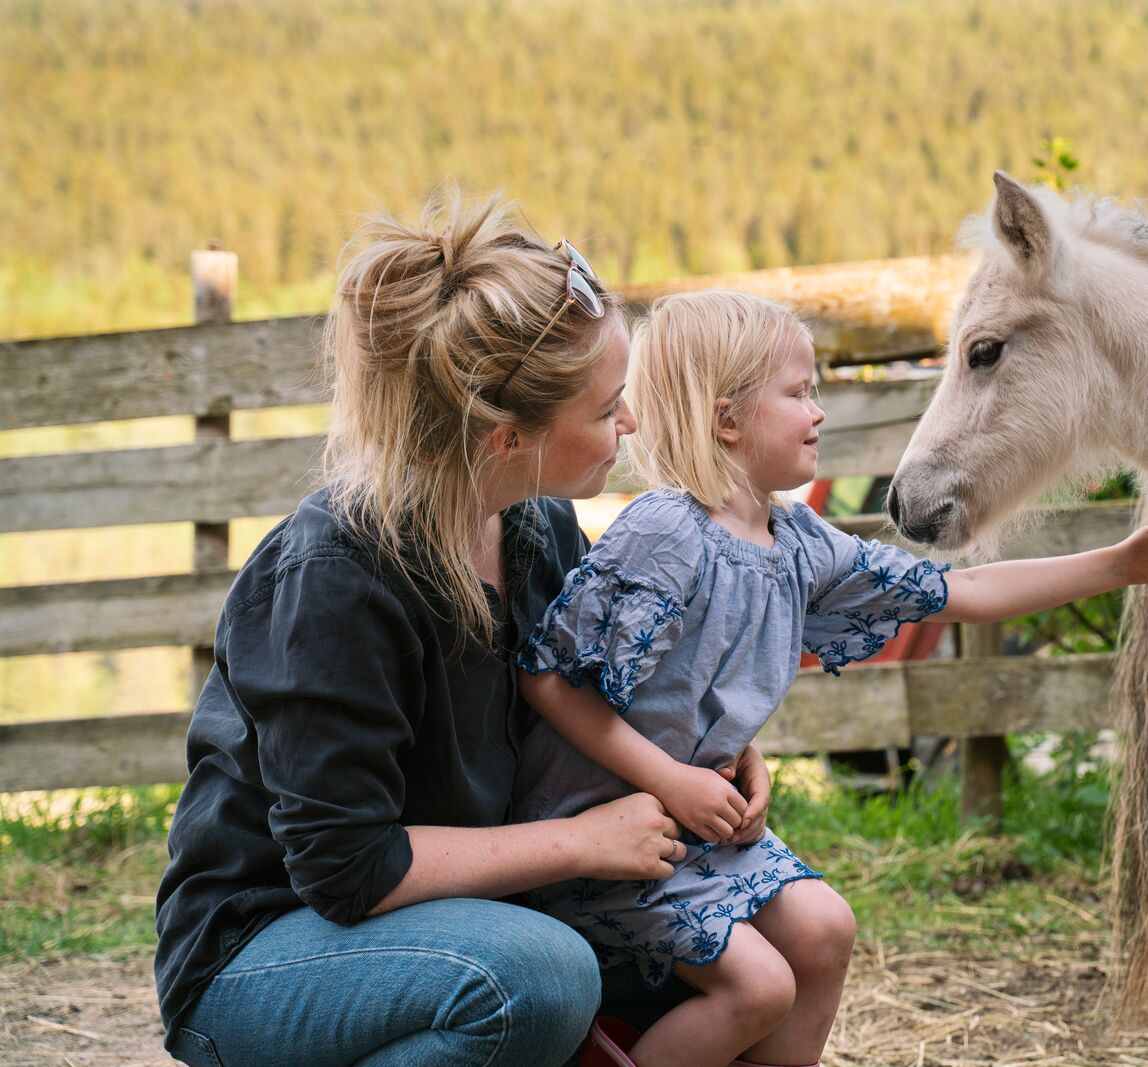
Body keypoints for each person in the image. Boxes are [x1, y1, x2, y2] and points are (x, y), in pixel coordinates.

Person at [514, 290, 1148, 1067]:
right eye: (799, 393)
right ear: (728, 419)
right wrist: (673, 779)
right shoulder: (664, 534)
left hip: (698, 826)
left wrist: (1122, 563)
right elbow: (552, 682)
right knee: (759, 987)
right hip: (610, 833)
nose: (819, 412)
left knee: (827, 929)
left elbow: (957, 592)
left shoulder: (795, 540)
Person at [153, 194, 739, 1067]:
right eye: (609, 406)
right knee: (538, 978)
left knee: (734, 938)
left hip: (463, 911)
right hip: (268, 949)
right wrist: (581, 841)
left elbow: (591, 703)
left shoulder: (538, 528)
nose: (632, 424)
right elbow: (349, 870)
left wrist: (710, 747)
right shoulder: (332, 580)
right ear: (507, 437)